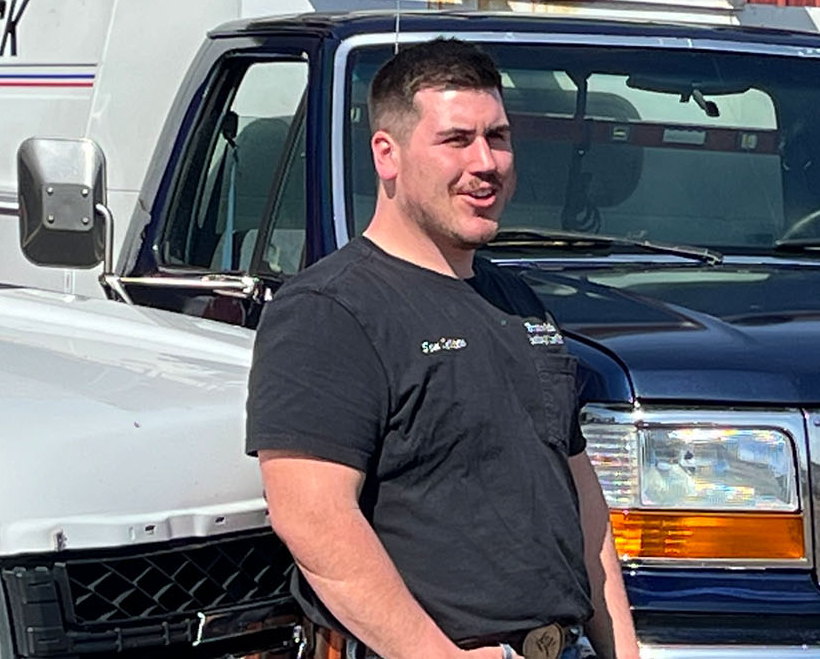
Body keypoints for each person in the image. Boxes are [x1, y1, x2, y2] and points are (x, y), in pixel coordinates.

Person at [245, 39, 637, 659]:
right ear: (387, 155)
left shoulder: (516, 301)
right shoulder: (329, 310)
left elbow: (581, 503)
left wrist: (621, 650)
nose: (486, 162)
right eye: (456, 140)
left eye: (499, 138)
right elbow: (313, 518)